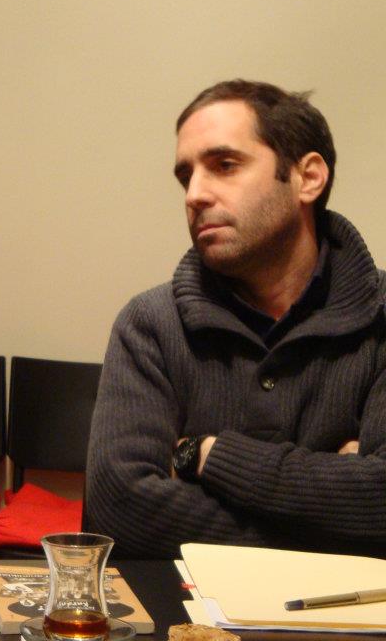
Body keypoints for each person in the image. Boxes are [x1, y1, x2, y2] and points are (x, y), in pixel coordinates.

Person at [85, 79, 386, 559]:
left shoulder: (380, 317)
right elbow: (121, 511)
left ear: (308, 178)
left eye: (225, 165)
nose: (194, 195)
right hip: (179, 607)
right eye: (186, 176)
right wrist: (337, 509)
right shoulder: (150, 324)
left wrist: (204, 455)